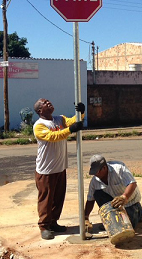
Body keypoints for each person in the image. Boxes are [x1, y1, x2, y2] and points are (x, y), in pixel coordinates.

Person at [33, 98, 85, 240]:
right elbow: (53, 136)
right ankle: (44, 226)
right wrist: (70, 130)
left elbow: (73, 122)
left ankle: (53, 222)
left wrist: (82, 112)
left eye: (49, 101)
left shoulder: (59, 119)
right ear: (40, 111)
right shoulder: (39, 126)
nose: (48, 102)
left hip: (60, 167)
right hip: (46, 170)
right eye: (44, 103)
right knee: (46, 199)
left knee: (58, 197)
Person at [84, 155, 142, 233]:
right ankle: (111, 220)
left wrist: (124, 197)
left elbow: (132, 183)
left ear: (104, 168)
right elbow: (90, 200)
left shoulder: (119, 168)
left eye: (97, 171)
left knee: (128, 226)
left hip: (130, 202)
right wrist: (85, 218)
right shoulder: (95, 181)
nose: (96, 174)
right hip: (115, 203)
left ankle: (139, 213)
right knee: (97, 194)